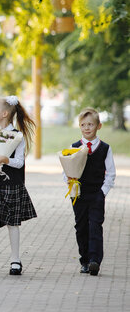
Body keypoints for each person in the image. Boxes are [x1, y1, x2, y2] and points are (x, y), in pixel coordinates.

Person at [0, 96, 37, 276]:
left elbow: (19, 162)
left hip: (13, 185)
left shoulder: (18, 136)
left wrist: (4, 159)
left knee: (13, 223)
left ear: (4, 113)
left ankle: (15, 260)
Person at [65, 108, 115, 276]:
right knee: (81, 227)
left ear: (98, 126)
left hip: (96, 194)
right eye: (83, 125)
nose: (87, 128)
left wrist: (103, 192)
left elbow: (111, 173)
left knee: (95, 226)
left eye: (91, 125)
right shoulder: (74, 147)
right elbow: (66, 169)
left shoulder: (105, 148)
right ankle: (84, 260)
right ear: (79, 126)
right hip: (78, 194)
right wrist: (70, 184)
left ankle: (94, 261)